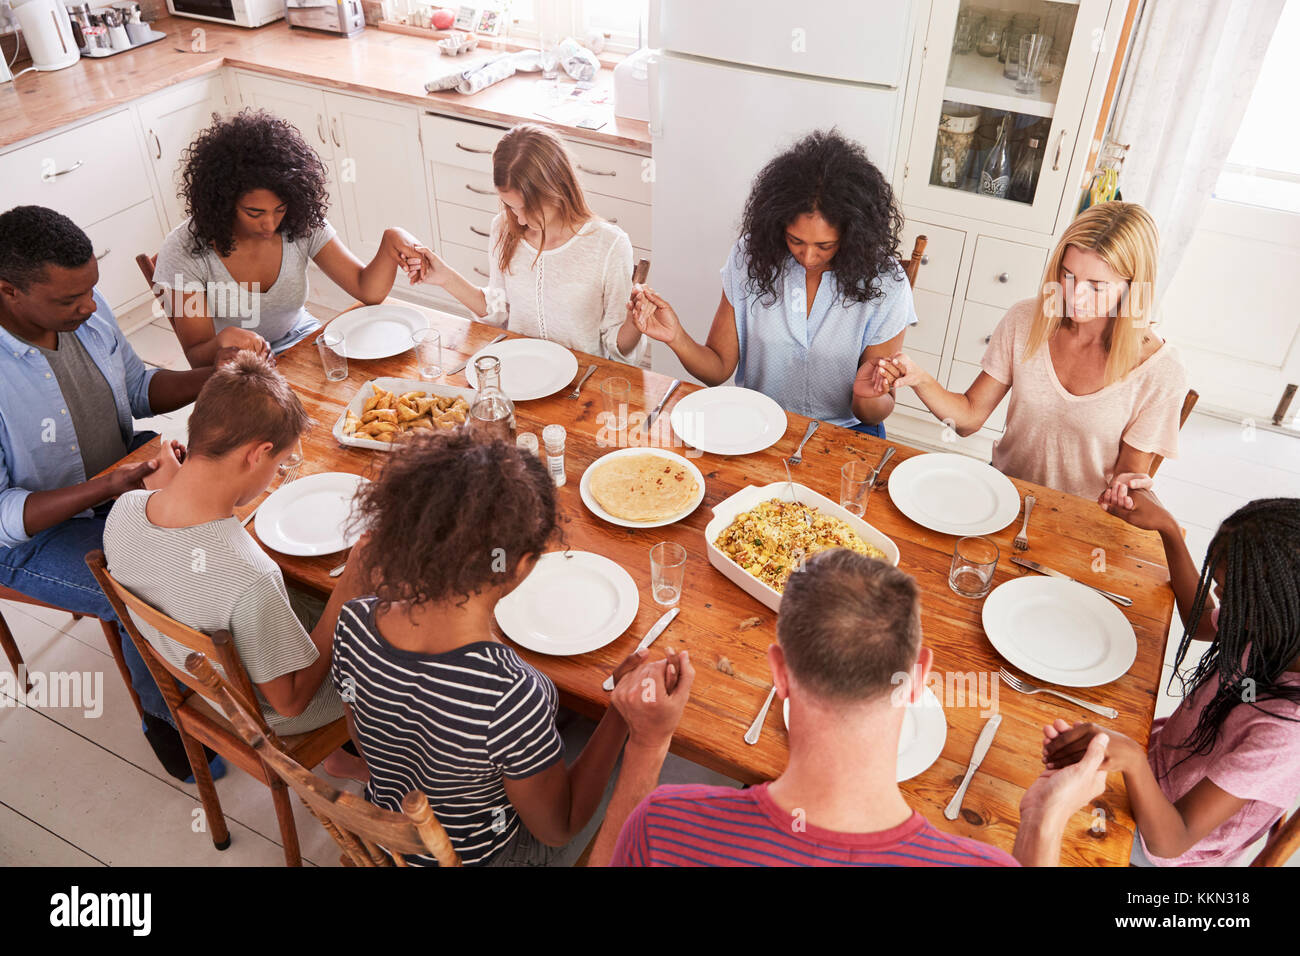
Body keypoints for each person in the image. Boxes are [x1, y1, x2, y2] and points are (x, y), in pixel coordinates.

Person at [589, 549, 1112, 867]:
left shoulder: (664, 826)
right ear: (918, 678)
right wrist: (1043, 824)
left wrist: (649, 743)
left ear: (779, 673)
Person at [329, 430, 686, 865]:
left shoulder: (353, 621)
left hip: (395, 831)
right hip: (493, 854)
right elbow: (559, 828)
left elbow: (364, 740)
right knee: (615, 752)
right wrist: (618, 713)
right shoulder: (511, 694)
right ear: (519, 565)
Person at [0, 204, 237, 780]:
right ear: (8, 291)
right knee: (148, 588)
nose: (89, 307)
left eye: (91, 292)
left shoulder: (84, 307)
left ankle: (255, 677)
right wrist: (105, 486)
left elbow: (136, 389)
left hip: (123, 476)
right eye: (68, 301)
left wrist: (221, 374)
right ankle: (166, 718)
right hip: (31, 539)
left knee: (233, 535)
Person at [102, 352, 369, 779]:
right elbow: (291, 702)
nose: (277, 473)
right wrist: (349, 586)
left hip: (204, 684)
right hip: (277, 714)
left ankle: (338, 754)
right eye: (279, 464)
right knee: (391, 621)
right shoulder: (250, 577)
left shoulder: (124, 510)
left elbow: (182, 568)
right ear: (257, 453)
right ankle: (380, 761)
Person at [1044, 489, 1300, 866]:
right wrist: (1168, 529)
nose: (1217, 596)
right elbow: (1199, 621)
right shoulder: (1271, 631)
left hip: (1157, 843)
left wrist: (1131, 758)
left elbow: (1171, 839)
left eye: (1227, 594)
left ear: (1270, 608)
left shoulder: (1285, 734)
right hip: (1154, 762)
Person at [872, 202, 1188, 499]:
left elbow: (1127, 481)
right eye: (1068, 275)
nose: (1074, 295)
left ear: (1133, 286)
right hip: (1003, 494)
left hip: (1079, 521)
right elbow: (968, 419)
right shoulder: (1027, 320)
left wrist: (1128, 491)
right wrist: (919, 378)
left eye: (1096, 285)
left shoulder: (1160, 370)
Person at [628, 129, 918, 437]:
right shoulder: (751, 257)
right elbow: (717, 370)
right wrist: (676, 337)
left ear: (853, 234)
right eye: (796, 240)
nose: (808, 256)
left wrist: (868, 395)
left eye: (825, 245)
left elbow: (874, 412)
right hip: (757, 424)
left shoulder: (886, 283)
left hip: (846, 433)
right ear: (777, 224)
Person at [153, 109, 426, 367]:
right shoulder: (186, 249)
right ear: (223, 203)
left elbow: (367, 290)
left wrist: (391, 241)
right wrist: (223, 341)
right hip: (237, 364)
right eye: (254, 212)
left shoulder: (299, 221)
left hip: (301, 338)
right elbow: (197, 357)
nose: (270, 224)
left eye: (279, 209)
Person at [411, 123, 645, 365]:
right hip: (519, 370)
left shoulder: (609, 245)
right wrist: (445, 278)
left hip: (580, 383)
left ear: (557, 189)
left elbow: (616, 346)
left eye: (528, 208)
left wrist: (635, 323)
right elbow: (499, 308)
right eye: (511, 206)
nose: (519, 219)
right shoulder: (504, 227)